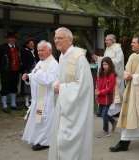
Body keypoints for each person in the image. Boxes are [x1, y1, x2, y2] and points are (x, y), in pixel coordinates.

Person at [48, 27, 93, 160]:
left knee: (67, 140)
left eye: (60, 38)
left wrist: (62, 88)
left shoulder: (79, 58)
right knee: (59, 138)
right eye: (55, 38)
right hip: (63, 105)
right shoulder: (62, 57)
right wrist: (55, 84)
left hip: (75, 109)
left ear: (70, 39)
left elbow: (84, 86)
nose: (56, 41)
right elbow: (58, 78)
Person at [109, 35, 139, 152]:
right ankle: (124, 143)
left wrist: (133, 77)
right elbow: (126, 70)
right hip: (131, 90)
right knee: (131, 116)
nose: (131, 44)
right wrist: (127, 75)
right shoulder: (132, 56)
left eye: (134, 42)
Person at [22, 40, 58, 151]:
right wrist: (28, 76)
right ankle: (38, 138)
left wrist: (37, 73)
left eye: (43, 50)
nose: (40, 52)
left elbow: (50, 81)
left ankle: (46, 141)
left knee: (45, 120)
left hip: (47, 98)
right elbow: (34, 74)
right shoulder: (40, 62)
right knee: (39, 120)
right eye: (38, 50)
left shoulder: (53, 64)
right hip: (38, 98)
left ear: (50, 51)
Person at [92, 34, 124, 117]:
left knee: (113, 91)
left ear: (112, 40)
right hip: (106, 75)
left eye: (106, 40)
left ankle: (115, 111)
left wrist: (102, 60)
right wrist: (98, 59)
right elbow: (105, 59)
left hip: (113, 74)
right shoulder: (108, 49)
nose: (105, 41)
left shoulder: (118, 49)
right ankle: (104, 110)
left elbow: (118, 61)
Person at [0, 31, 22, 113]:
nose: (12, 39)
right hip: (6, 72)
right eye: (10, 38)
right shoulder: (2, 48)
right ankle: (5, 106)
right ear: (7, 39)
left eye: (13, 38)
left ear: (15, 39)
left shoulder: (17, 48)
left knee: (14, 88)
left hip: (15, 72)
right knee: (5, 88)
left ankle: (13, 105)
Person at [95, 57, 118, 138]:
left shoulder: (112, 75)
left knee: (104, 113)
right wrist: (97, 90)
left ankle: (106, 131)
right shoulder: (101, 73)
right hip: (101, 97)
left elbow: (110, 89)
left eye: (106, 64)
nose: (105, 66)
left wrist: (100, 92)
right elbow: (98, 82)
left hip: (108, 97)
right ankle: (113, 121)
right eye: (103, 64)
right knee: (101, 113)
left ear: (110, 64)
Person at [20, 37, 39, 109]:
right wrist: (29, 69)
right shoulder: (24, 52)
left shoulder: (35, 51)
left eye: (33, 43)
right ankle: (27, 103)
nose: (32, 45)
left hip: (35, 70)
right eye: (30, 43)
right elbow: (24, 62)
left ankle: (33, 102)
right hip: (27, 71)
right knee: (27, 87)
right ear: (27, 44)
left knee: (34, 86)